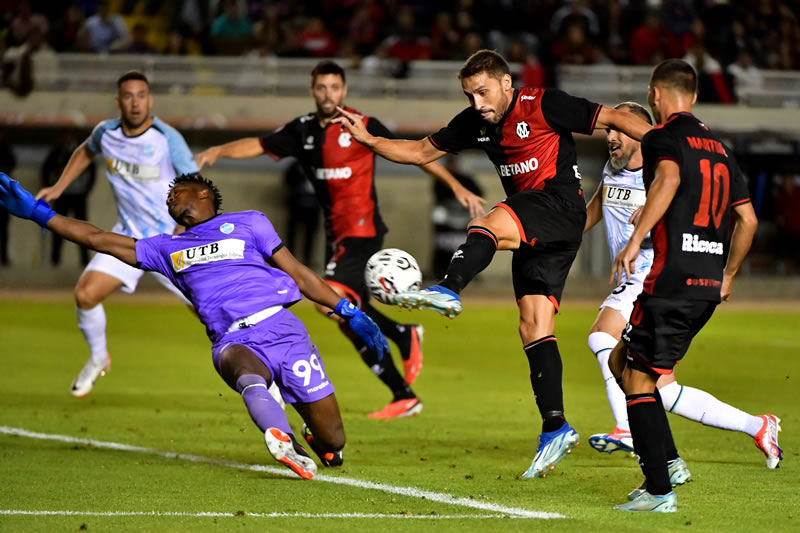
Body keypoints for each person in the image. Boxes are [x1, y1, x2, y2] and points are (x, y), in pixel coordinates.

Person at [334, 49, 651, 478]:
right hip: (543, 231)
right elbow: (419, 151)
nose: (477, 103)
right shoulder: (474, 122)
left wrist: (664, 147)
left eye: (483, 92)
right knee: (533, 325)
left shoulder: (544, 104)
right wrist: (370, 141)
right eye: (469, 95)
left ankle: (449, 286)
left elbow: (614, 118)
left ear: (506, 83)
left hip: (558, 206)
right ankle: (555, 427)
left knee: (484, 224)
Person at [0, 171, 389, 480]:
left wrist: (348, 311)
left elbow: (299, 275)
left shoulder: (250, 224)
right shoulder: (166, 249)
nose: (170, 200)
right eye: (168, 198)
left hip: (284, 330)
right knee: (247, 375)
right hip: (232, 340)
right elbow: (98, 238)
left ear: (202, 194)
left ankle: (315, 440)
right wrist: (39, 213)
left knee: (334, 440)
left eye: (177, 193)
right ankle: (278, 435)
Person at [196, 60, 485, 419]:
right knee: (350, 318)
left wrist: (455, 186)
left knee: (327, 302)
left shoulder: (361, 125)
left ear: (344, 90)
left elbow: (416, 152)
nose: (328, 94)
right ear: (312, 90)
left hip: (362, 231)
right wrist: (219, 151)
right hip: (337, 237)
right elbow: (257, 144)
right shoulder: (301, 130)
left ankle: (401, 339)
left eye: (335, 87)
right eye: (322, 87)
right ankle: (402, 386)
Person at [584, 102, 783, 471]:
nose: (611, 135)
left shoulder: (664, 171)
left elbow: (693, 213)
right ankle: (756, 426)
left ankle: (629, 431)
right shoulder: (611, 172)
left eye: (619, 129)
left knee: (602, 337)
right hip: (641, 278)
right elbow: (594, 209)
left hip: (654, 274)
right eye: (608, 130)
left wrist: (645, 229)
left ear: (642, 130)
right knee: (664, 389)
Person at [608, 59, 767, 512]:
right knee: (629, 366)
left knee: (635, 378)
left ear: (655, 96)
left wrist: (636, 238)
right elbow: (748, 220)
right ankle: (666, 466)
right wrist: (730, 274)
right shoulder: (720, 148)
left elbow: (670, 178)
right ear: (693, 96)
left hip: (670, 280)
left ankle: (660, 489)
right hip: (706, 288)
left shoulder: (660, 138)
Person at [36, 71, 199, 398]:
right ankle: (98, 357)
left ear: (150, 99)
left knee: (211, 314)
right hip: (126, 240)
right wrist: (58, 187)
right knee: (86, 295)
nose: (135, 102)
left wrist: (184, 228)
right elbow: (85, 151)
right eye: (128, 96)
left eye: (142, 95)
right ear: (118, 101)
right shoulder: (106, 134)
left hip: (169, 243)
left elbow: (196, 185)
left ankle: (264, 381)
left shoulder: (167, 138)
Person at [41, 128, 96, 266]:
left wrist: (86, 190)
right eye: (65, 136)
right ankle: (55, 261)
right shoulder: (57, 152)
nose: (67, 139)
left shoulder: (82, 151)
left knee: (83, 229)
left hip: (79, 196)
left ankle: (84, 262)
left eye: (69, 135)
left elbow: (92, 170)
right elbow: (45, 169)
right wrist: (50, 187)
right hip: (62, 196)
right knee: (57, 228)